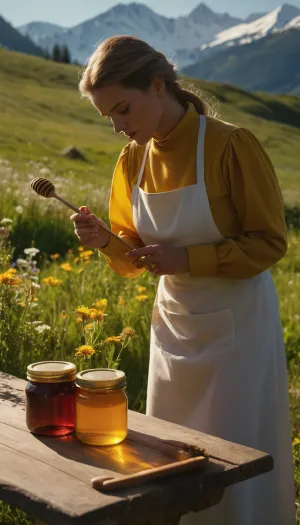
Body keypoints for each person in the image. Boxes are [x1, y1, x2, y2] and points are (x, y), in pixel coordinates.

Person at [71, 35, 295, 525]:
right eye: (109, 117)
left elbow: (270, 244)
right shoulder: (132, 161)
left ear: (157, 86)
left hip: (238, 329)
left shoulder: (232, 145)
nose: (119, 127)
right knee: (171, 451)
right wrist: (104, 240)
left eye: (124, 110)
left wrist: (187, 257)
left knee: (235, 456)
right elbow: (134, 260)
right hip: (173, 326)